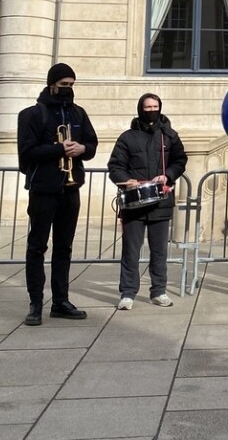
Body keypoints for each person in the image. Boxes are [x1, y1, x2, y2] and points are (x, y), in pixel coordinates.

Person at [17, 63, 98, 326]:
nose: (68, 90)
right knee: (37, 246)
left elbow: (92, 145)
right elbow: (27, 153)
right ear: (52, 84)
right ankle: (35, 303)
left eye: (72, 85)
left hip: (70, 188)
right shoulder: (31, 115)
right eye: (64, 85)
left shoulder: (79, 113)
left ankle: (60, 301)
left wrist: (82, 148)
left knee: (64, 247)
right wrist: (59, 149)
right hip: (43, 188)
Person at [108, 94, 188, 311]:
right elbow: (115, 166)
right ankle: (127, 293)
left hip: (160, 203)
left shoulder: (169, 136)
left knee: (159, 251)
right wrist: (126, 181)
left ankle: (158, 291)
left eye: (155, 106)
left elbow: (180, 160)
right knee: (131, 250)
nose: (151, 110)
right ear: (140, 109)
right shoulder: (127, 137)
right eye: (147, 107)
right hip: (134, 204)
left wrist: (168, 175)